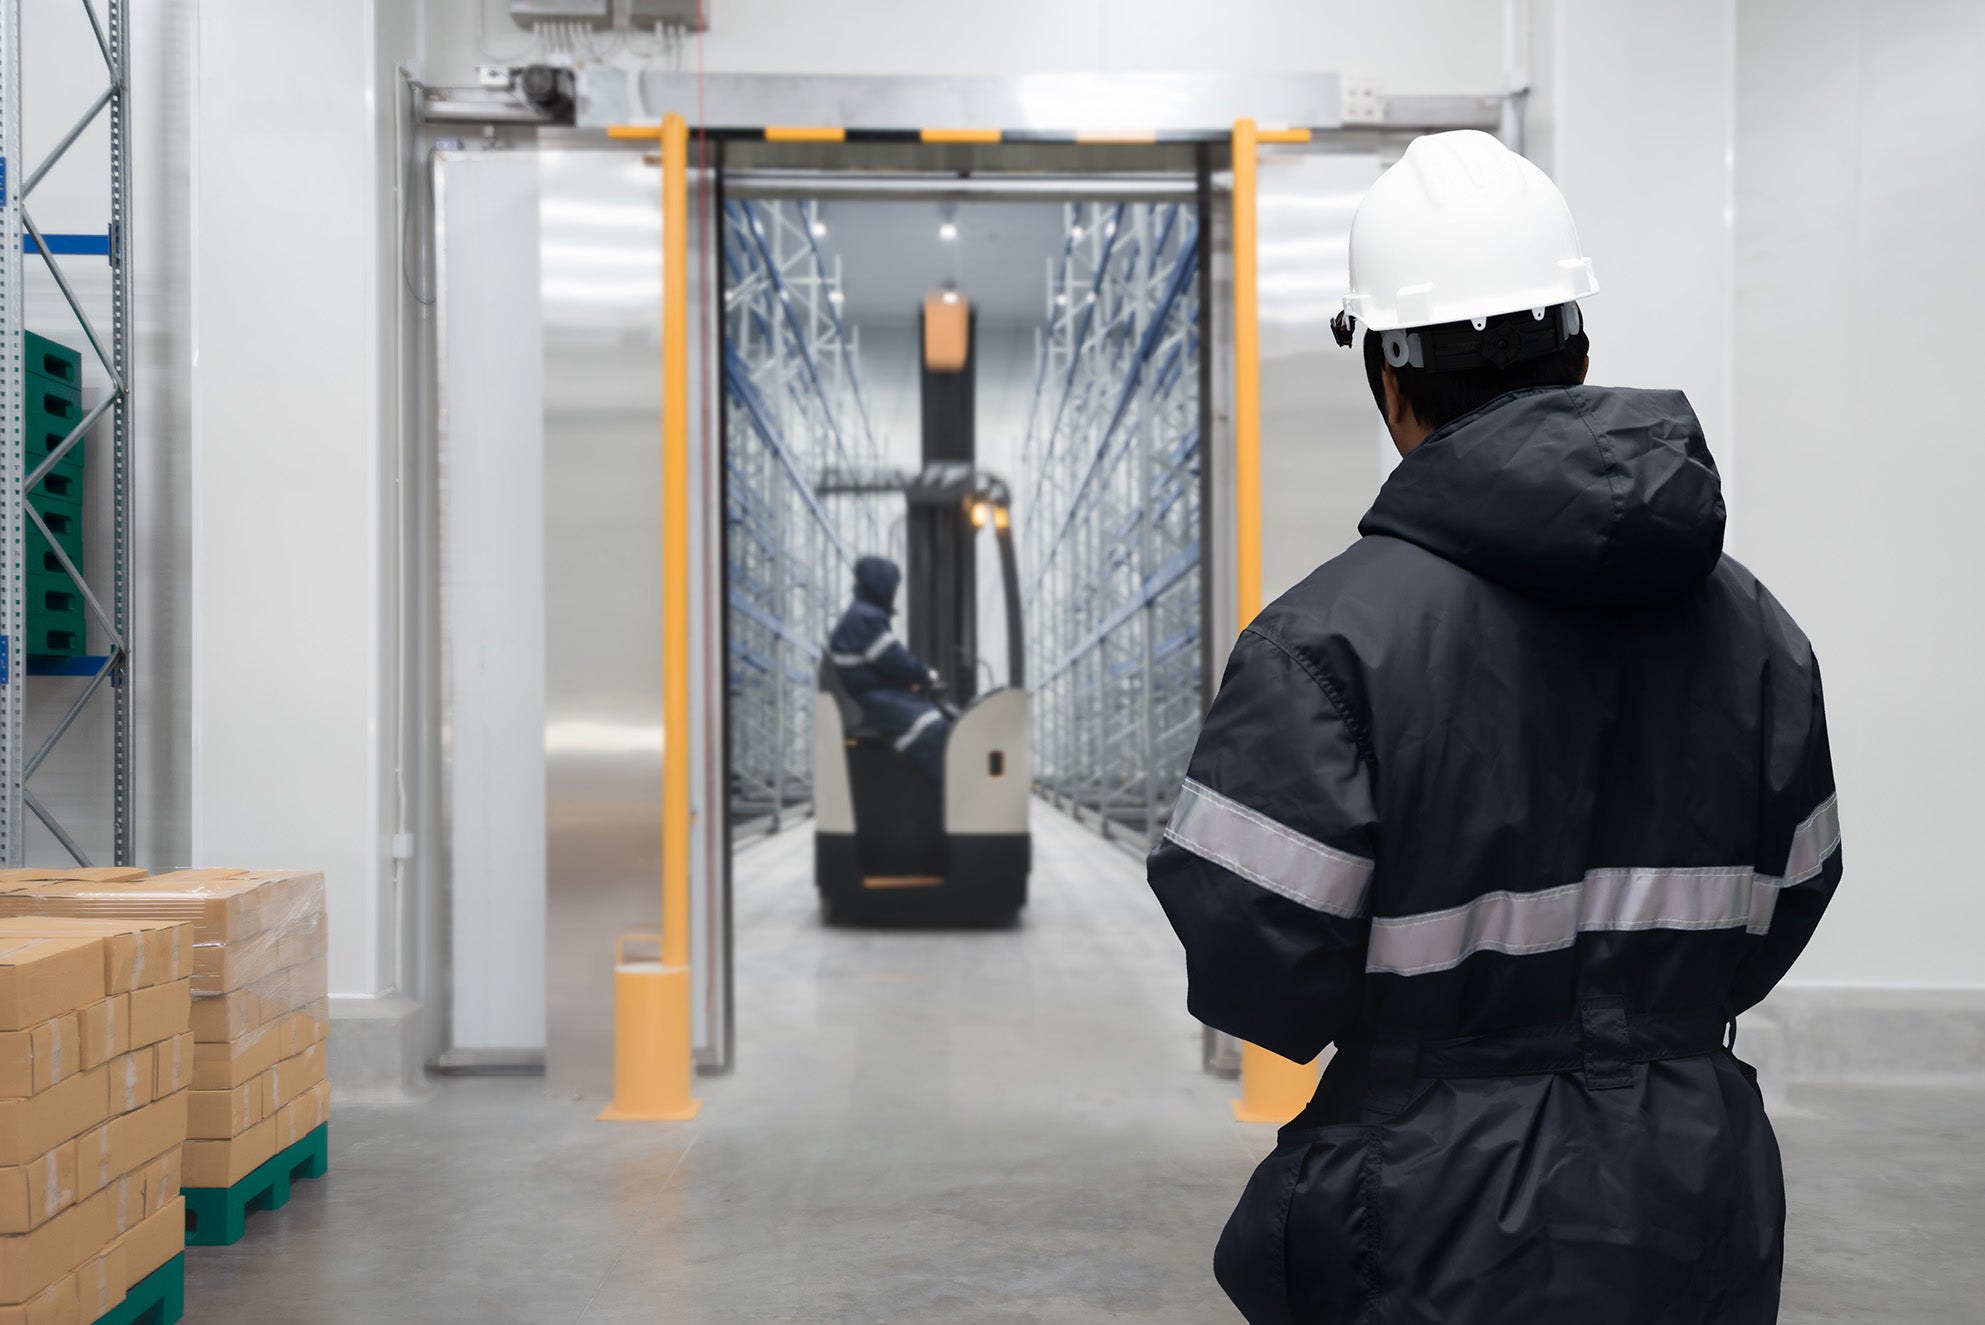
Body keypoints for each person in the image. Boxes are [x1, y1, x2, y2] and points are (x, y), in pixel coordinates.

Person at [1148, 129, 1838, 1323]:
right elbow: (1789, 896)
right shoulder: (1755, 630)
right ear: (1575, 343)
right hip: (1689, 1187)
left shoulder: (1323, 647)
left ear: (1387, 378)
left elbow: (1256, 971)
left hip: (1423, 1212)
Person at [829, 556, 949, 789]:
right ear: (880, 585)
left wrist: (910, 682)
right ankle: (940, 797)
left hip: (873, 693)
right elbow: (895, 660)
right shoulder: (866, 617)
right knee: (932, 727)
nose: (894, 592)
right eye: (893, 586)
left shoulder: (863, 614)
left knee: (932, 719)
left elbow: (885, 662)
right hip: (873, 699)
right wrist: (927, 675)